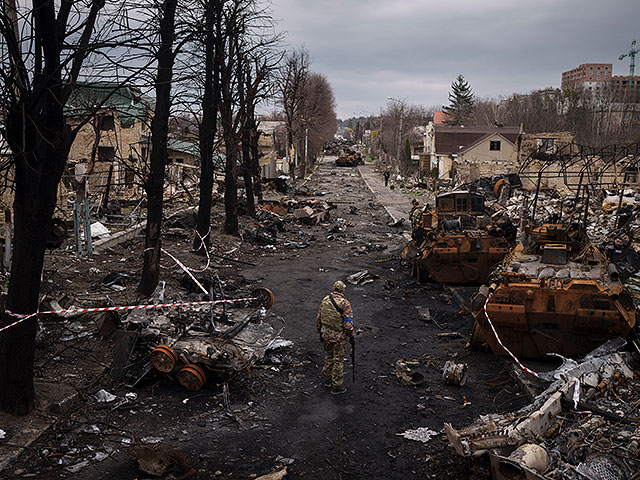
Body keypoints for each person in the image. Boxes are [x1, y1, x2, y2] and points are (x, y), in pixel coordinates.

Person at [316, 280, 354, 395]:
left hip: (326, 334)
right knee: (338, 359)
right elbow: (347, 324)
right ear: (342, 290)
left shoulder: (325, 300)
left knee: (328, 356)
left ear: (334, 289)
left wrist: (319, 331)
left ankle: (327, 379)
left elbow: (319, 318)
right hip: (339, 337)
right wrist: (350, 335)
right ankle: (336, 386)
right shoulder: (345, 303)